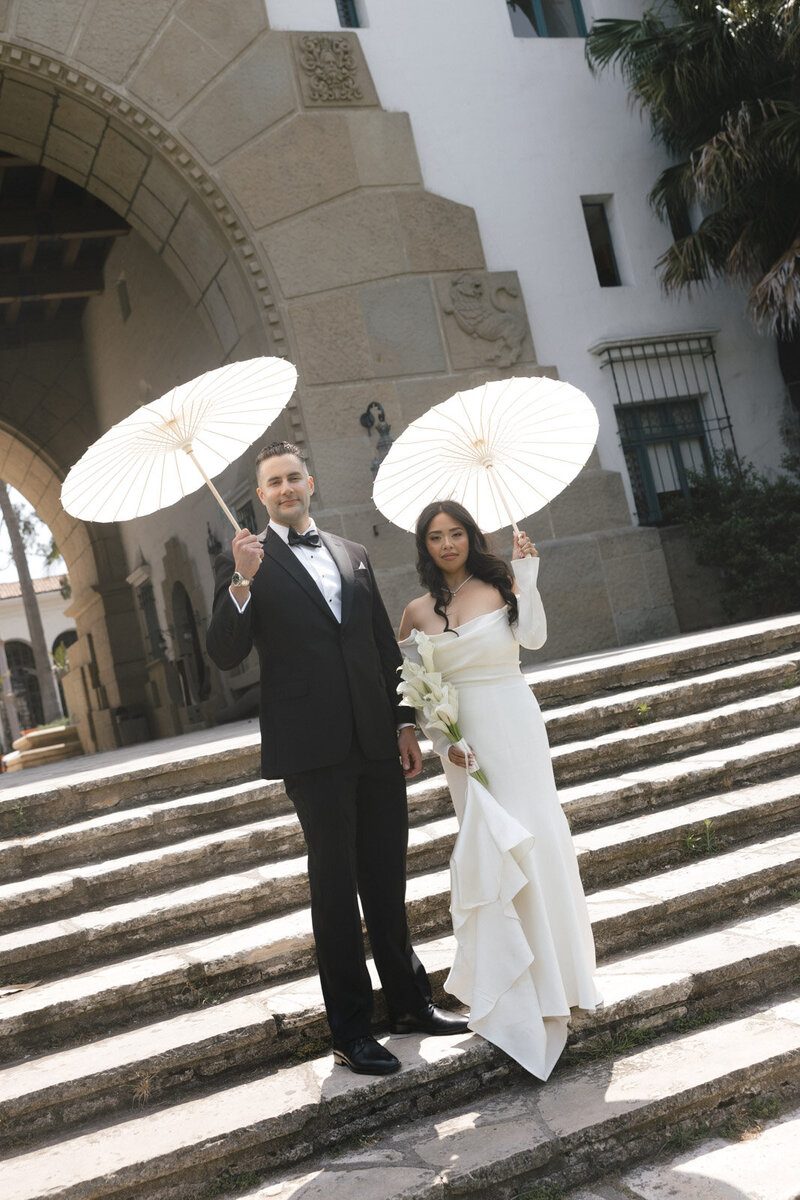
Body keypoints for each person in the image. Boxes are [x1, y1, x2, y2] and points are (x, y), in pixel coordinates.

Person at [206, 442, 468, 1076]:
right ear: (260, 496)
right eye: (274, 482)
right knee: (335, 888)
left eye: (294, 476)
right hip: (312, 750)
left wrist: (404, 723)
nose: (286, 488)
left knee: (386, 876)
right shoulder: (249, 563)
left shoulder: (355, 555)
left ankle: (408, 1003)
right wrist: (240, 579)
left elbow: (384, 646)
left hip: (376, 740)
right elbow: (223, 652)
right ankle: (349, 1030)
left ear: (310, 482)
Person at [398, 500, 600, 1080]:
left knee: (535, 843)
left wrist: (528, 574)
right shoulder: (413, 612)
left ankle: (560, 983)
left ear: (470, 536)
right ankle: (514, 993)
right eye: (435, 537)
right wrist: (443, 742)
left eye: (455, 533)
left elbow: (533, 638)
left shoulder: (503, 583)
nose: (447, 544)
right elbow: (415, 690)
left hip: (515, 725)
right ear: (424, 546)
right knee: (492, 853)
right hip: (464, 747)